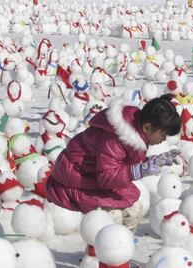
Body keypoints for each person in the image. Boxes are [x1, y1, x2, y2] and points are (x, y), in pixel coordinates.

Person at [46, 95, 182, 230]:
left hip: (92, 175)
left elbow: (119, 162)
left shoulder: (132, 133)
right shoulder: (113, 139)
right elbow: (106, 177)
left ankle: (123, 240)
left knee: (132, 207)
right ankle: (109, 243)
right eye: (163, 134)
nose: (164, 139)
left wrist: (154, 161)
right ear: (147, 127)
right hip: (75, 179)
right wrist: (139, 170)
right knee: (113, 215)